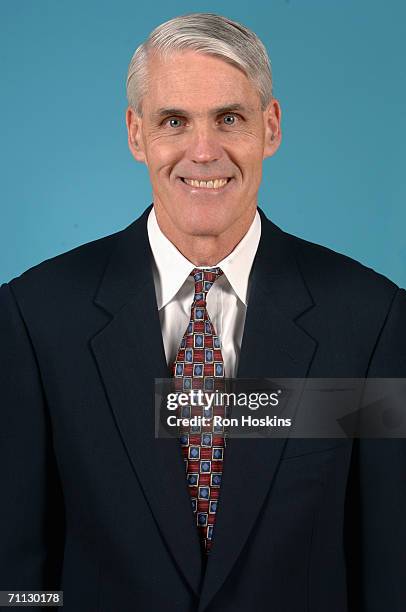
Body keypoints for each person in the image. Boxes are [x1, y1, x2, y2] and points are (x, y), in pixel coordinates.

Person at [1, 12, 405, 612]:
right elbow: (18, 577)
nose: (203, 150)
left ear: (270, 128)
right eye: (174, 121)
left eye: (230, 118)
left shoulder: (371, 318)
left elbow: (388, 574)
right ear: (136, 134)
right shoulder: (36, 317)